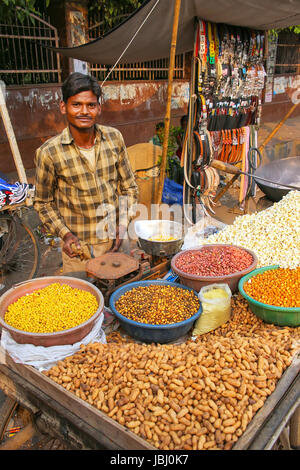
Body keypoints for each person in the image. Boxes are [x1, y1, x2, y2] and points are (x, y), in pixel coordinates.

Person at [34, 72, 139, 279]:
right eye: (76, 105)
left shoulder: (114, 138)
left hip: (115, 242)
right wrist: (65, 234)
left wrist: (122, 225)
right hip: (77, 250)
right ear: (64, 107)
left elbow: (129, 187)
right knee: (83, 305)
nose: (84, 111)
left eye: (91, 105)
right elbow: (42, 202)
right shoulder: (49, 153)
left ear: (99, 108)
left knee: (119, 298)